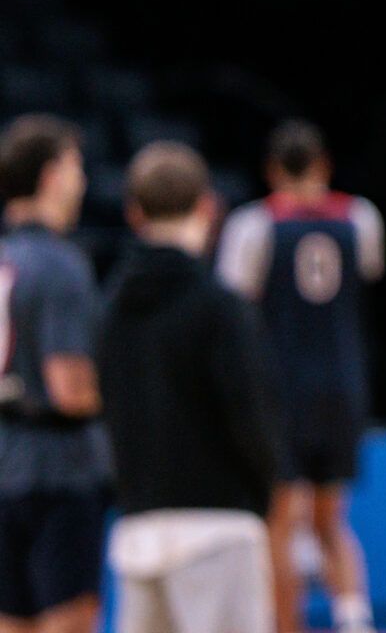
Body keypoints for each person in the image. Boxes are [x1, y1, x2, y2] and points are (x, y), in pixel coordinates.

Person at [98, 141, 280, 633]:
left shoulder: (109, 309)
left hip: (136, 533)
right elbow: (249, 415)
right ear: (208, 206)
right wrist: (265, 488)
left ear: (134, 213)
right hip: (219, 526)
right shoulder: (221, 306)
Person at [216, 121, 382, 633]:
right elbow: (369, 273)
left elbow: (232, 300)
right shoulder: (360, 217)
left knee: (280, 527)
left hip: (282, 389)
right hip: (343, 384)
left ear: (271, 171)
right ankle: (354, 619)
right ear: (324, 166)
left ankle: (286, 626)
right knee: (332, 521)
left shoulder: (254, 225)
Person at [0, 115, 109, 633]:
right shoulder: (60, 265)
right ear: (51, 176)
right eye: (75, 165)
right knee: (67, 620)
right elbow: (70, 390)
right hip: (59, 473)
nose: (82, 179)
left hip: (5, 462)